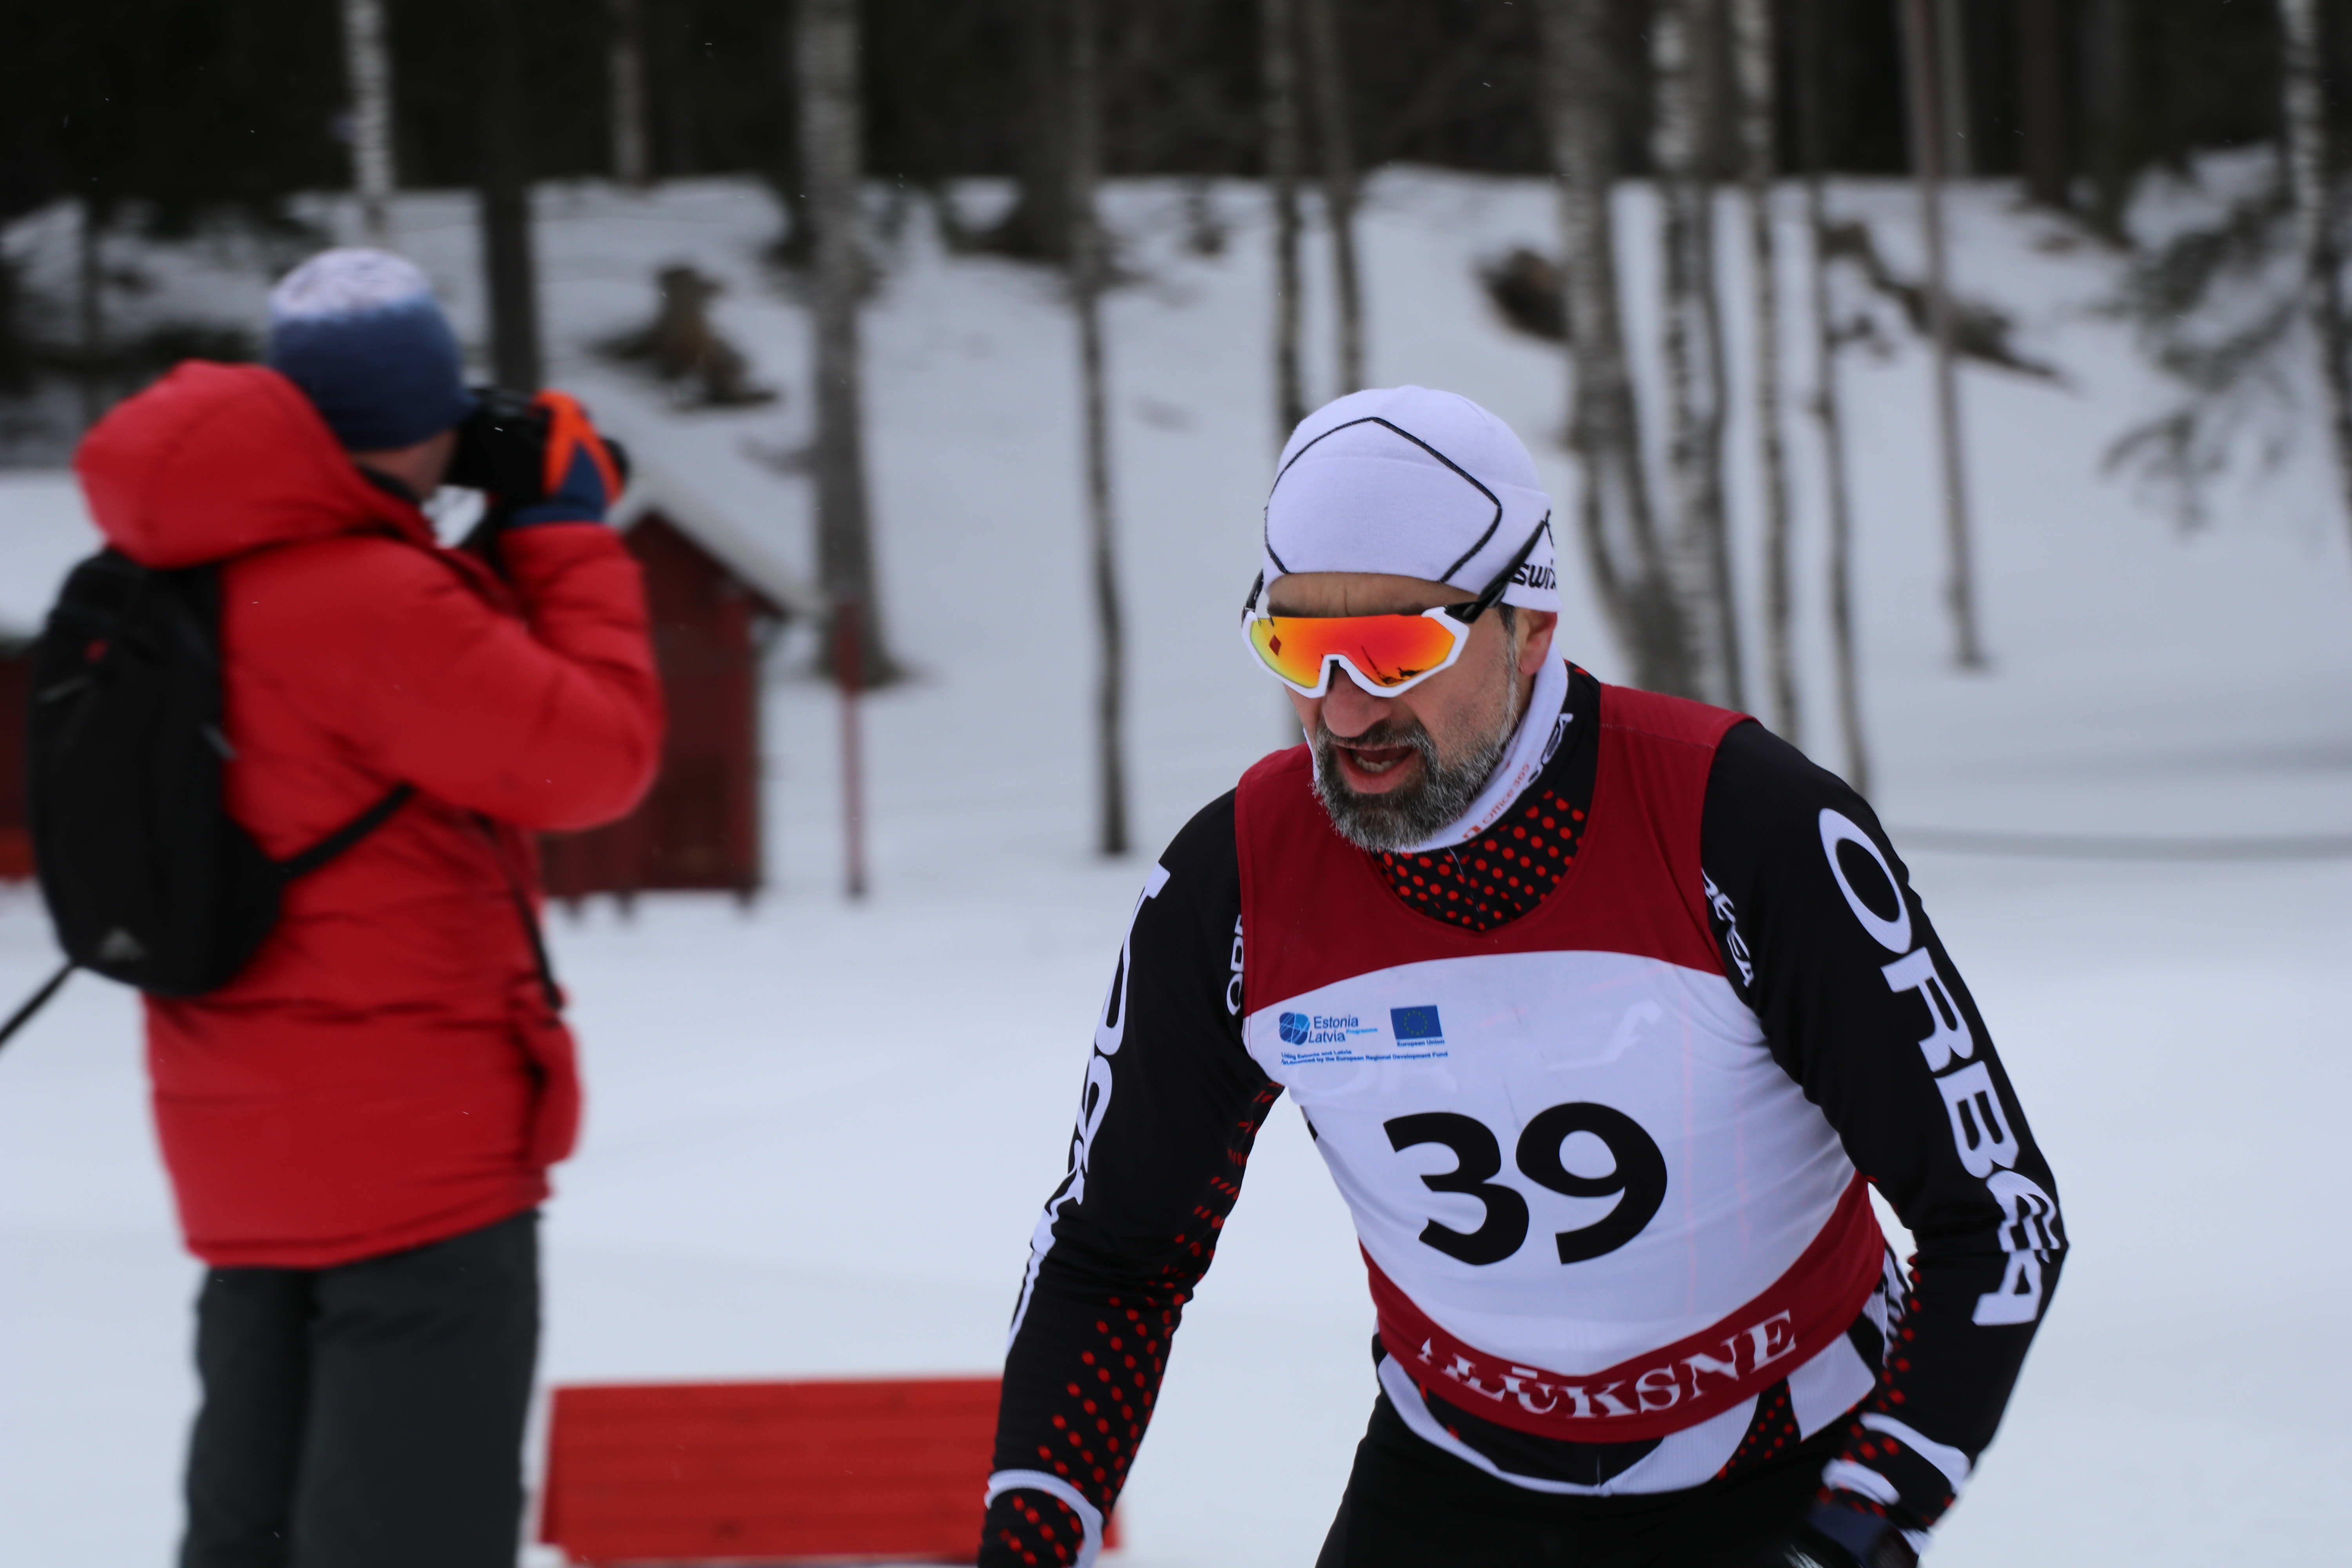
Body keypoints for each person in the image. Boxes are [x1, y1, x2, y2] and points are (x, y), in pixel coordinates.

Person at [977, 387, 2063, 1568]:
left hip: (1779, 1472)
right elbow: (1113, 1256)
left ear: (1530, 626)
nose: (1343, 706)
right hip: (1451, 1484)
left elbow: (1995, 1213)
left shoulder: (1739, 825)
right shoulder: (1234, 881)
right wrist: (1032, 1538)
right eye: (1296, 645)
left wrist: (1863, 1522)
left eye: (1397, 648)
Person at [71, 249, 664, 1568]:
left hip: (241, 1145)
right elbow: (596, 758)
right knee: (408, 1536)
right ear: (427, 418)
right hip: (414, 1153)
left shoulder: (186, 570)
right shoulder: (373, 601)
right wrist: (565, 535)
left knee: (257, 1530)